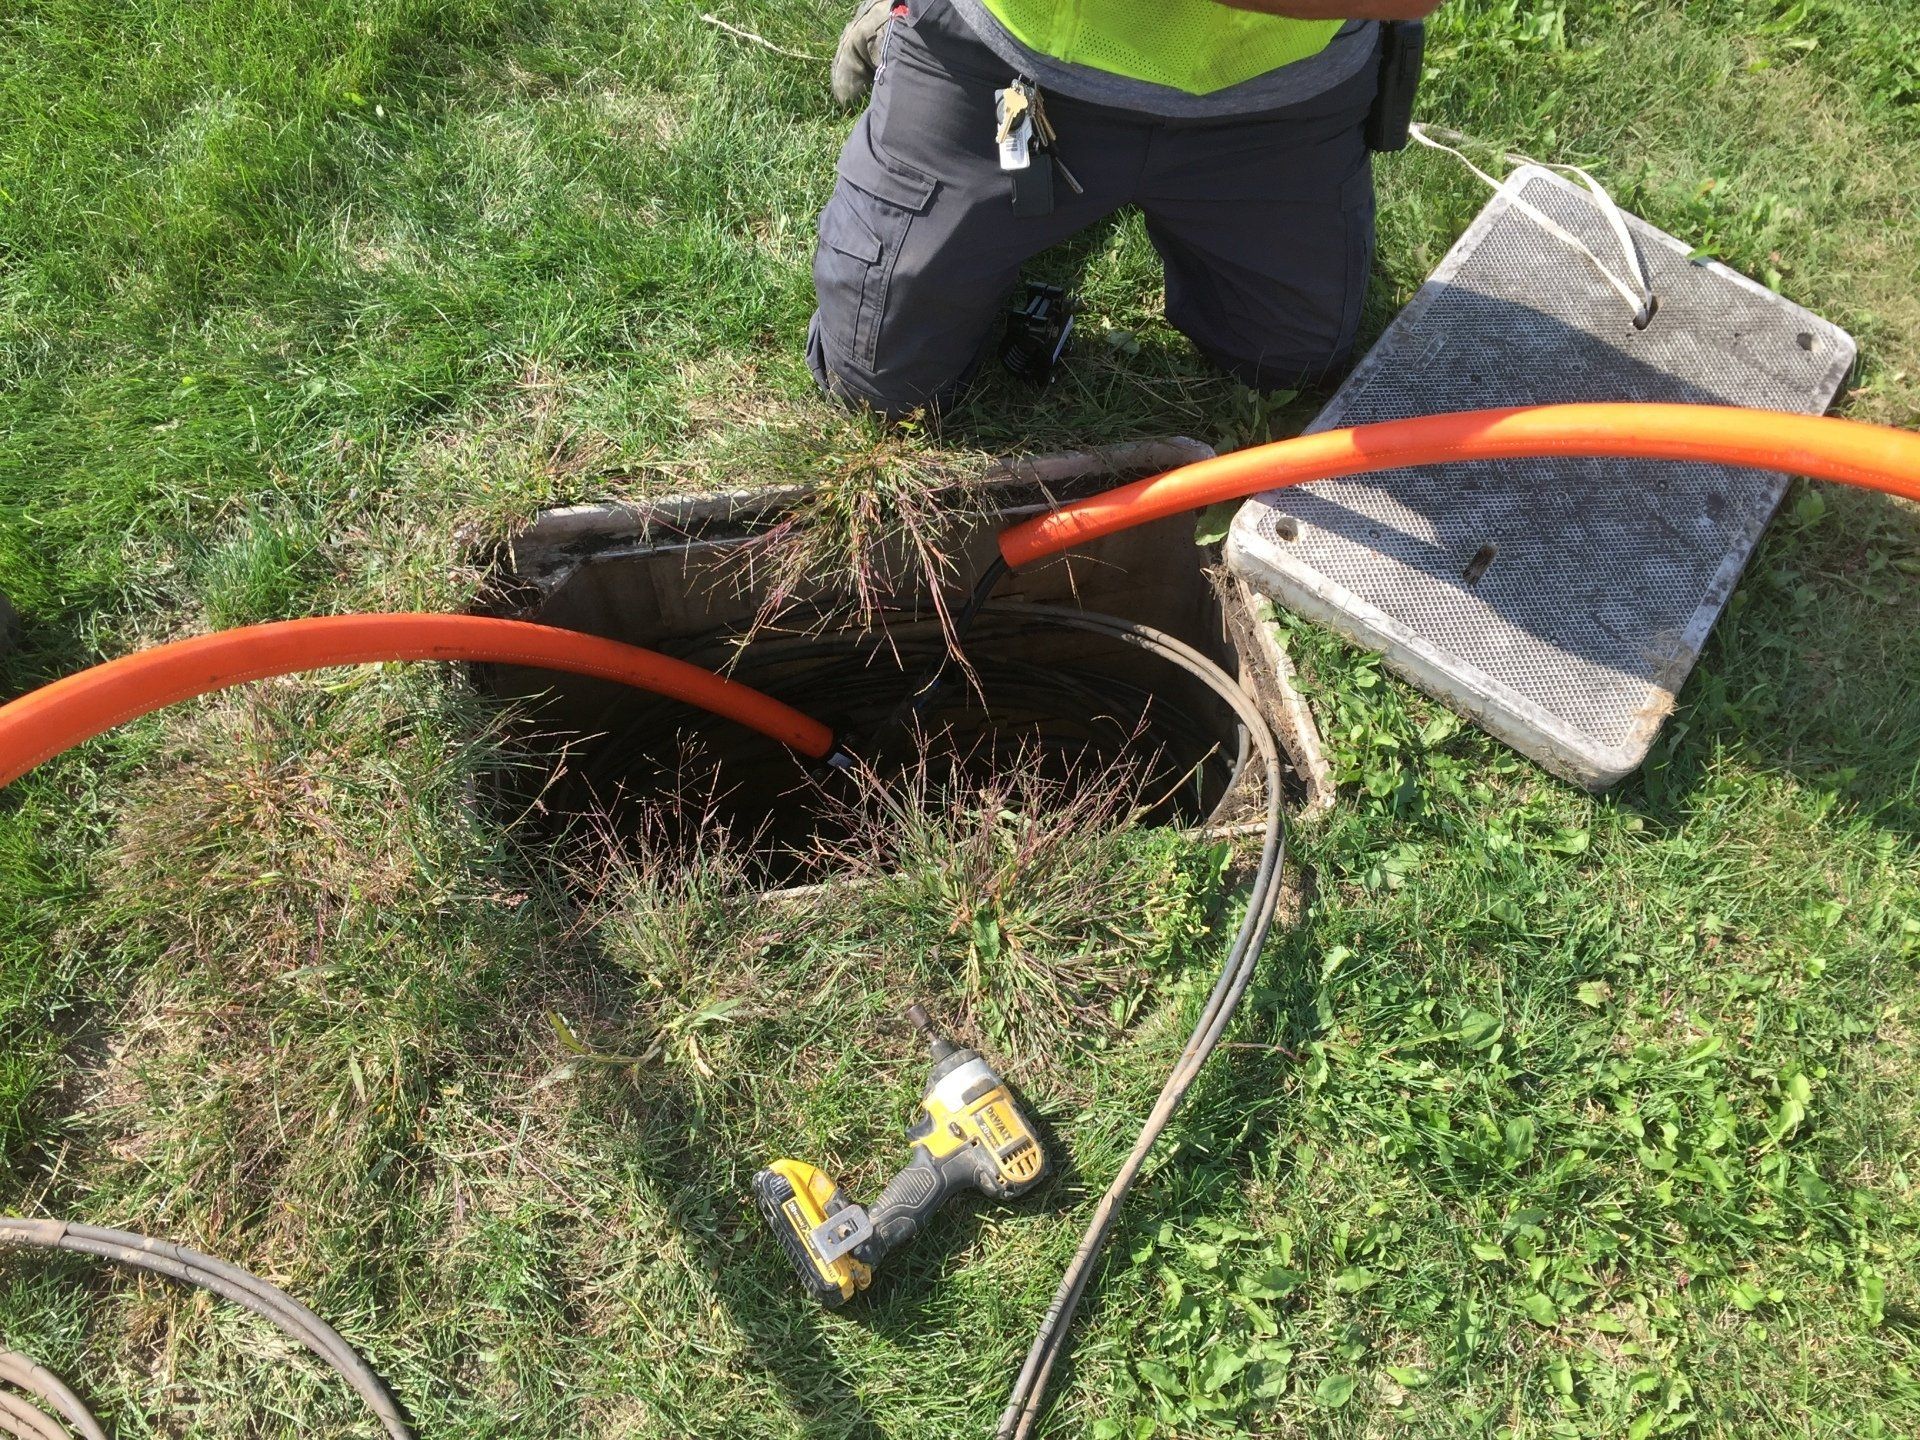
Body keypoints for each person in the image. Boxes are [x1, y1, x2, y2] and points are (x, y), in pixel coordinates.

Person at [807, 0, 1442, 420]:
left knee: (1291, 363)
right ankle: (901, 23)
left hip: (1276, 96)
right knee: (881, 389)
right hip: (1009, 55)